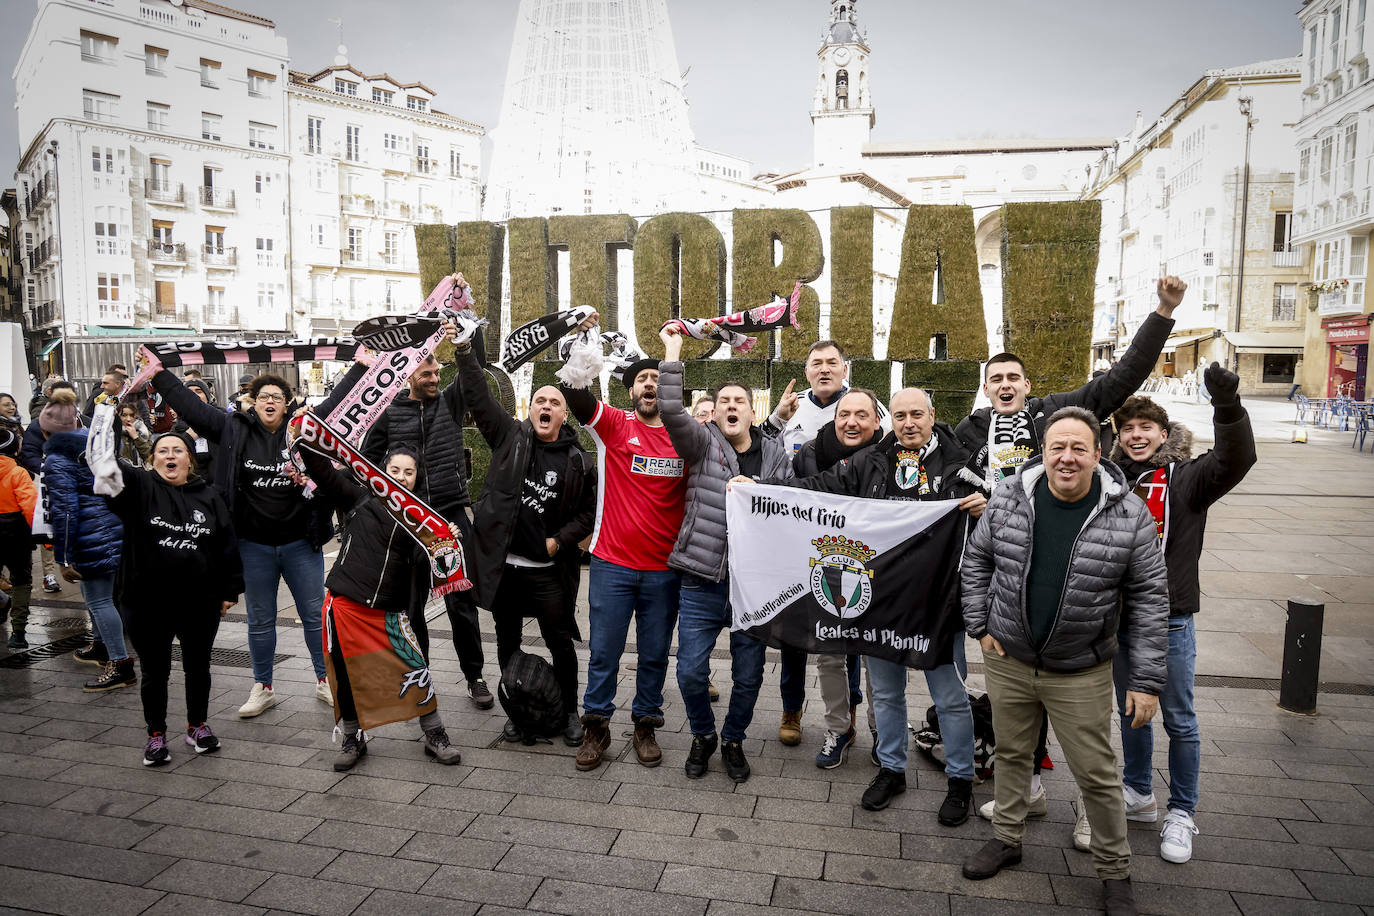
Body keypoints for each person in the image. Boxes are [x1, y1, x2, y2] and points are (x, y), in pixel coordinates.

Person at [958, 275, 1185, 818]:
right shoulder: (968, 430)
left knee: (1086, 729)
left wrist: (1162, 312)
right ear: (987, 389)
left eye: (1013, 377)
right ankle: (1027, 793)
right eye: (996, 380)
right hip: (1010, 589)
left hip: (1079, 584)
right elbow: (937, 475)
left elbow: (1125, 375)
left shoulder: (1058, 412)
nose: (1006, 385)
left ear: (1027, 384)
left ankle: (1092, 813)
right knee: (1018, 717)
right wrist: (979, 621)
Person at [960, 407, 1169, 916]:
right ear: (1044, 452)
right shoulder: (1011, 497)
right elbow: (978, 561)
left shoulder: (1129, 513)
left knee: (1095, 772)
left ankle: (1114, 871)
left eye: (1080, 448)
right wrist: (980, 626)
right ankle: (1007, 839)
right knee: (1011, 753)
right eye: (1058, 447)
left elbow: (1149, 599)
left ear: (1098, 455)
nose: (1067, 458)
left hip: (1080, 667)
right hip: (1010, 658)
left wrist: (1144, 680)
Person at [767, 388, 986, 819]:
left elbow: (996, 526)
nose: (908, 423)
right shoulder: (872, 461)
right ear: (892, 420)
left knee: (950, 695)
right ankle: (892, 769)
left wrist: (985, 508)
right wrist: (759, 488)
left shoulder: (960, 466)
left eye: (916, 415)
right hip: (881, 600)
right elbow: (815, 489)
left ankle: (960, 779)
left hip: (937, 604)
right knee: (886, 693)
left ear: (931, 416)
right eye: (901, 415)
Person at [1090, 365, 1255, 865]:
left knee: (1179, 719)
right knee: (1132, 715)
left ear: (1164, 435)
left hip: (1170, 619)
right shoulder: (1110, 481)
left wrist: (1227, 405)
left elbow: (1235, 459)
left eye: (1146, 428)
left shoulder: (1186, 479)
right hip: (1119, 621)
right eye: (1127, 428)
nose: (1136, 435)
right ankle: (1138, 793)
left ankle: (1182, 811)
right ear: (1117, 437)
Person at [147, 357, 334, 716]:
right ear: (253, 401)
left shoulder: (302, 429)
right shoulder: (233, 428)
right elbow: (192, 407)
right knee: (260, 619)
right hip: (254, 545)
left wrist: (362, 367)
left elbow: (341, 400)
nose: (270, 402)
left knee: (314, 615)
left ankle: (326, 680)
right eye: (263, 396)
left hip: (301, 543)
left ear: (287, 403)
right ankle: (263, 687)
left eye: (278, 397)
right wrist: (159, 374)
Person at [659, 325, 793, 782]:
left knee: (750, 676)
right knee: (691, 673)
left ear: (752, 412)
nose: (732, 406)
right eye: (724, 402)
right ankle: (703, 734)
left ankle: (733, 738)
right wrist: (673, 351)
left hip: (754, 588)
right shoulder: (701, 445)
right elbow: (672, 410)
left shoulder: (776, 455)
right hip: (701, 579)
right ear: (714, 413)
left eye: (740, 401)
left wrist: (762, 488)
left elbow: (795, 501)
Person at [559, 309, 687, 771]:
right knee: (605, 654)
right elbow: (575, 396)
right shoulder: (613, 426)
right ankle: (596, 729)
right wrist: (579, 350)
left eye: (657, 377)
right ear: (631, 390)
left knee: (654, 654)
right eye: (641, 379)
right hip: (612, 564)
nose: (649, 384)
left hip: (664, 570)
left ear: (668, 388)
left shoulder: (685, 435)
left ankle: (646, 726)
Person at [457, 338, 596, 747]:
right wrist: (465, 353)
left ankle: (570, 711)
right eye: (539, 400)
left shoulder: (580, 460)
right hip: (506, 572)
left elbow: (588, 515)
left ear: (564, 413)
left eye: (554, 402)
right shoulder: (509, 438)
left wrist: (559, 541)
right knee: (507, 642)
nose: (546, 407)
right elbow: (480, 399)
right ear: (529, 409)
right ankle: (517, 712)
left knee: (560, 644)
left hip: (549, 573)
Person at [297, 436, 463, 770]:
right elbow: (321, 470)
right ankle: (352, 736)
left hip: (389, 610)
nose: (401, 477)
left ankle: (435, 734)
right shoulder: (358, 496)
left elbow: (423, 563)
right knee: (347, 676)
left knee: (415, 669)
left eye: (409, 472)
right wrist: (305, 435)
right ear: (382, 471)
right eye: (394, 469)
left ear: (418, 477)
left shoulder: (423, 519)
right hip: (345, 605)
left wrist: (442, 543)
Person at [765, 340, 890, 762]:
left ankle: (877, 729)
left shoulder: (883, 437)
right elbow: (785, 473)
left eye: (831, 362)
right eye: (815, 363)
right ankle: (817, 721)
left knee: (873, 652)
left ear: (844, 368)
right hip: (818, 554)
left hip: (875, 564)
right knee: (820, 649)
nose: (823, 369)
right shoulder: (796, 416)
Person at [363, 353, 493, 709]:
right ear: (409, 375)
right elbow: (368, 460)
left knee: (461, 604)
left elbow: (473, 371)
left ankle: (475, 677)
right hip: (409, 521)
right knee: (411, 606)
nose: (435, 377)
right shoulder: (389, 411)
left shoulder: (450, 401)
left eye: (437, 372)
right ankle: (420, 676)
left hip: (450, 517)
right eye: (428, 373)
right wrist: (390, 500)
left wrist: (462, 342)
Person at [105, 431, 242, 766]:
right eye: (162, 451)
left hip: (198, 600)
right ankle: (156, 734)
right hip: (145, 600)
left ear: (189, 459)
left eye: (177, 450)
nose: (170, 456)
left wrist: (229, 591)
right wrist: (108, 417)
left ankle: (197, 726)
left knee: (198, 667)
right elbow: (106, 469)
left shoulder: (209, 495)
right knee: (155, 671)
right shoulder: (138, 489)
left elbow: (226, 545)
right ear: (152, 459)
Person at [39, 389, 135, 690]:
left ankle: (120, 664)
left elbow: (65, 510)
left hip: (89, 534)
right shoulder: (96, 446)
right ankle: (99, 644)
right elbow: (118, 487)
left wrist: (62, 557)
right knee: (99, 596)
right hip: (112, 526)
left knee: (99, 599)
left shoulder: (57, 459)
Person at [0, 420, 36, 648]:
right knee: (21, 581)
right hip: (16, 535)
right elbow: (30, 507)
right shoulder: (18, 473)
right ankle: (18, 633)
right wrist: (47, 541)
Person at [116, 398, 154, 468]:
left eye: (131, 415)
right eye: (124, 415)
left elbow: (150, 457)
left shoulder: (143, 431)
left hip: (140, 473)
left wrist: (136, 438)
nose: (128, 419)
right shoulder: (114, 433)